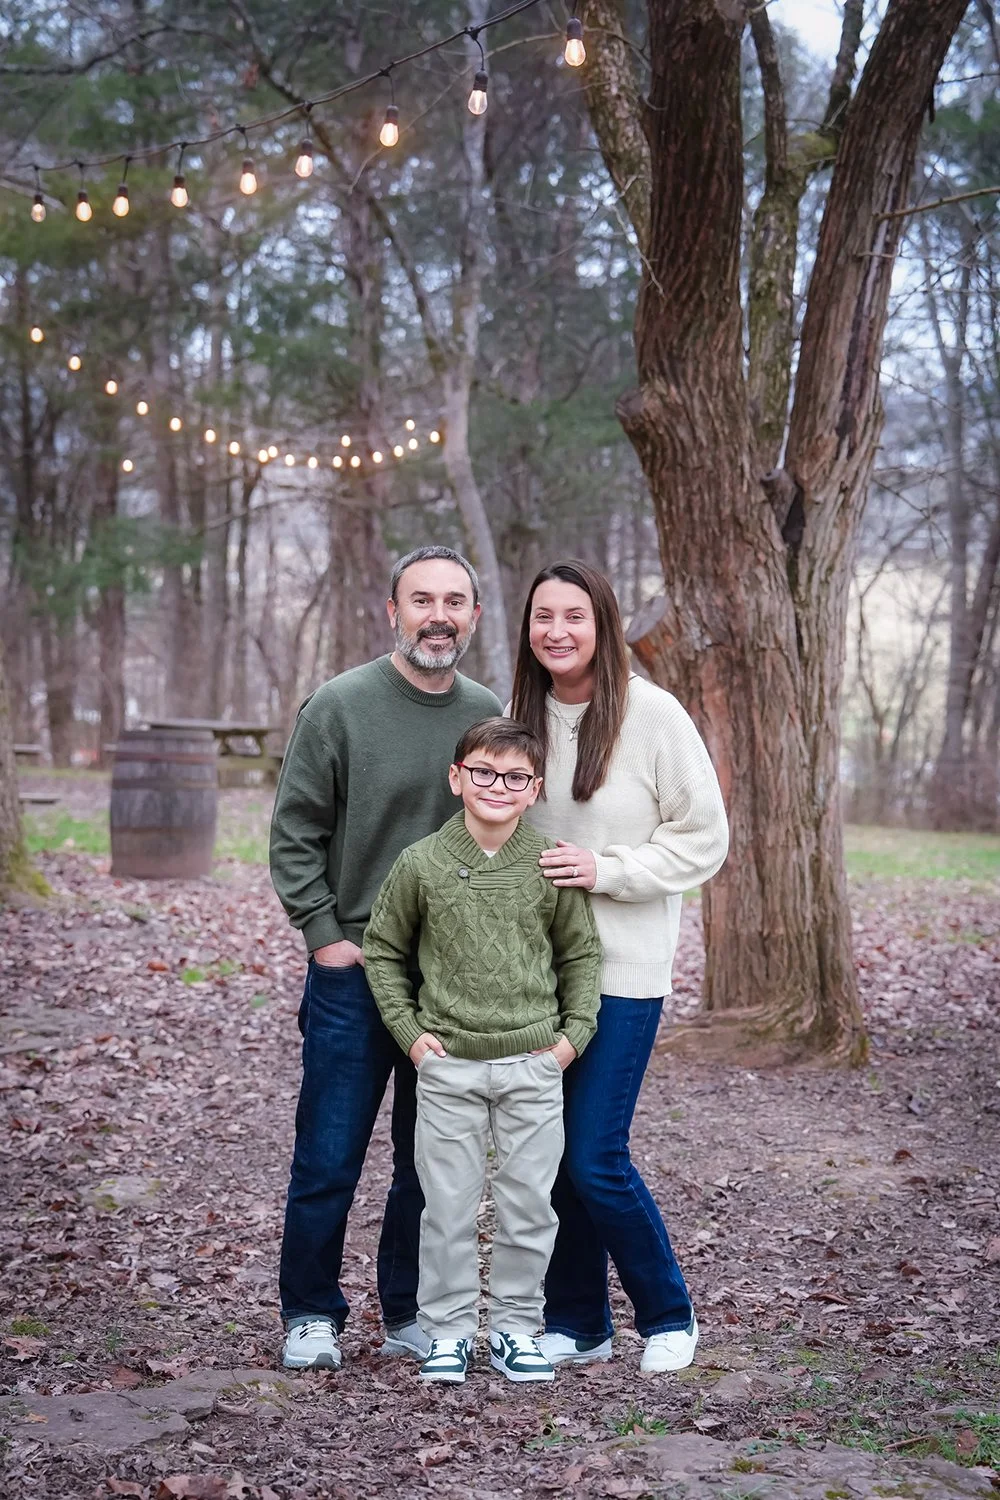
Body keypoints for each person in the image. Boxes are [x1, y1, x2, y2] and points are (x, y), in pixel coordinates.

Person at [269, 546, 502, 1371]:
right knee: (329, 1152)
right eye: (421, 599)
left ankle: (405, 1310)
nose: (438, 615)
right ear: (392, 611)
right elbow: (295, 833)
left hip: (451, 983)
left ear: (474, 616)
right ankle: (310, 1314)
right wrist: (324, 936)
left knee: (427, 1162)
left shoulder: (487, 714)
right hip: (356, 971)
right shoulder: (339, 707)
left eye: (454, 601)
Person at [509, 560, 729, 1375]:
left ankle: (668, 1313)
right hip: (536, 976)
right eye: (543, 617)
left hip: (624, 972)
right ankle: (579, 1321)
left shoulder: (653, 716)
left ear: (601, 623)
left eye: (574, 616)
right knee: (549, 1155)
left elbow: (705, 839)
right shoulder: (519, 717)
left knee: (594, 1153)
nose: (557, 631)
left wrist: (608, 869)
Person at [363, 717, 602, 1386]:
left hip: (533, 1063)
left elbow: (580, 953)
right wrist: (412, 1038)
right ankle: (447, 1331)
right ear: (456, 777)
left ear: (534, 790)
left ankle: (517, 1328)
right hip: (448, 1067)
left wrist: (570, 1038)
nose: (498, 785)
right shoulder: (421, 864)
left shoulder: (548, 863)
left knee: (529, 1204)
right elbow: (383, 951)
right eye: (484, 772)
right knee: (446, 1208)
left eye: (515, 777)